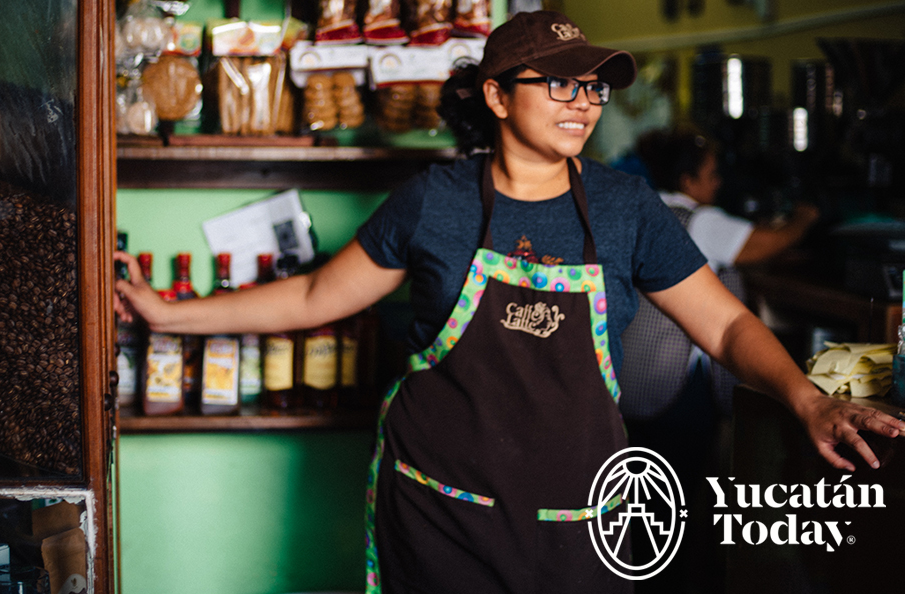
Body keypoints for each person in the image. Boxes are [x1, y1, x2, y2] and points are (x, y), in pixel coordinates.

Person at [113, 12, 903, 594]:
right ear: (495, 95)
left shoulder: (627, 209)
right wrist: (168, 313)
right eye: (559, 81)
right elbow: (319, 293)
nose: (583, 101)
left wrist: (808, 400)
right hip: (441, 517)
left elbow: (726, 325)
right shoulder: (435, 202)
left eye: (592, 86)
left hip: (582, 525)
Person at [617, 127, 821, 592]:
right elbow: (765, 244)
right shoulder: (699, 221)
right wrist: (806, 217)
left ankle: (653, 575)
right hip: (674, 387)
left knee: (649, 495)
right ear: (688, 181)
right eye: (710, 175)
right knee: (686, 497)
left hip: (634, 380)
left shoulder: (642, 213)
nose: (717, 185)